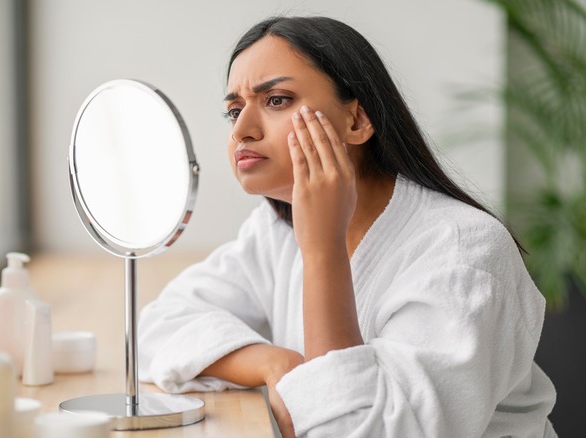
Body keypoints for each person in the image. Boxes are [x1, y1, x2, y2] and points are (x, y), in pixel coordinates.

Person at [138, 16, 557, 437]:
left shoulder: (465, 254)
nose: (241, 132)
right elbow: (158, 327)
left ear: (356, 121)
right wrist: (273, 364)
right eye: (234, 111)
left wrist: (323, 249)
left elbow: (353, 431)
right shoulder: (276, 230)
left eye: (277, 100)